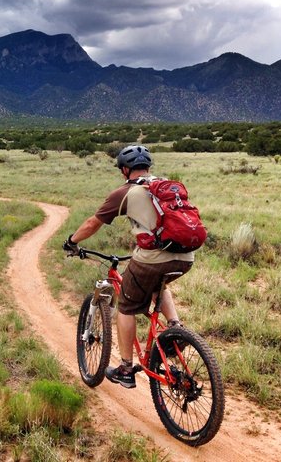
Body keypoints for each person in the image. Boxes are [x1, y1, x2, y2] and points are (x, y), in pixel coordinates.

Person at [62, 144, 194, 388]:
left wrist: (72, 242)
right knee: (157, 284)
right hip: (186, 257)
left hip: (153, 258)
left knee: (126, 307)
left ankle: (125, 368)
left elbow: (92, 223)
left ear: (124, 169)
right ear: (148, 167)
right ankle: (175, 328)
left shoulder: (125, 192)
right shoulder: (165, 185)